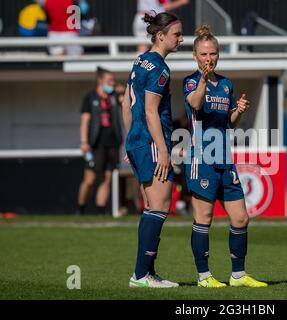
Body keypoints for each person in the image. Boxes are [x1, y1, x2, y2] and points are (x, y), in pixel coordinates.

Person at [183, 25, 268, 288]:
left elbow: (228, 123)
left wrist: (238, 111)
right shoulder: (191, 81)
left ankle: (238, 275)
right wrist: (204, 80)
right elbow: (195, 105)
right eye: (204, 54)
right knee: (203, 219)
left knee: (241, 218)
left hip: (225, 159)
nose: (209, 59)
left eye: (213, 54)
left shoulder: (227, 84)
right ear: (195, 56)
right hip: (202, 159)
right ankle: (204, 277)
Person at [122, 11, 183, 288]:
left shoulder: (140, 60)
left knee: (151, 207)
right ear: (161, 36)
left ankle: (146, 272)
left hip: (137, 141)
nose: (181, 39)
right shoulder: (159, 67)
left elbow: (126, 102)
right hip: (151, 143)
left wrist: (130, 139)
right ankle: (141, 275)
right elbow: (150, 111)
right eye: (177, 35)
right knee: (159, 206)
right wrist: (164, 150)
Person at [77, 67, 123, 215]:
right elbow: (85, 120)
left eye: (113, 80)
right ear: (100, 81)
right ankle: (81, 208)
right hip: (95, 144)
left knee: (107, 178)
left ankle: (100, 211)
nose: (112, 83)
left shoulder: (114, 97)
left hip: (113, 143)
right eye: (110, 80)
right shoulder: (90, 97)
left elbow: (126, 99)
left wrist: (123, 90)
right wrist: (84, 142)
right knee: (89, 179)